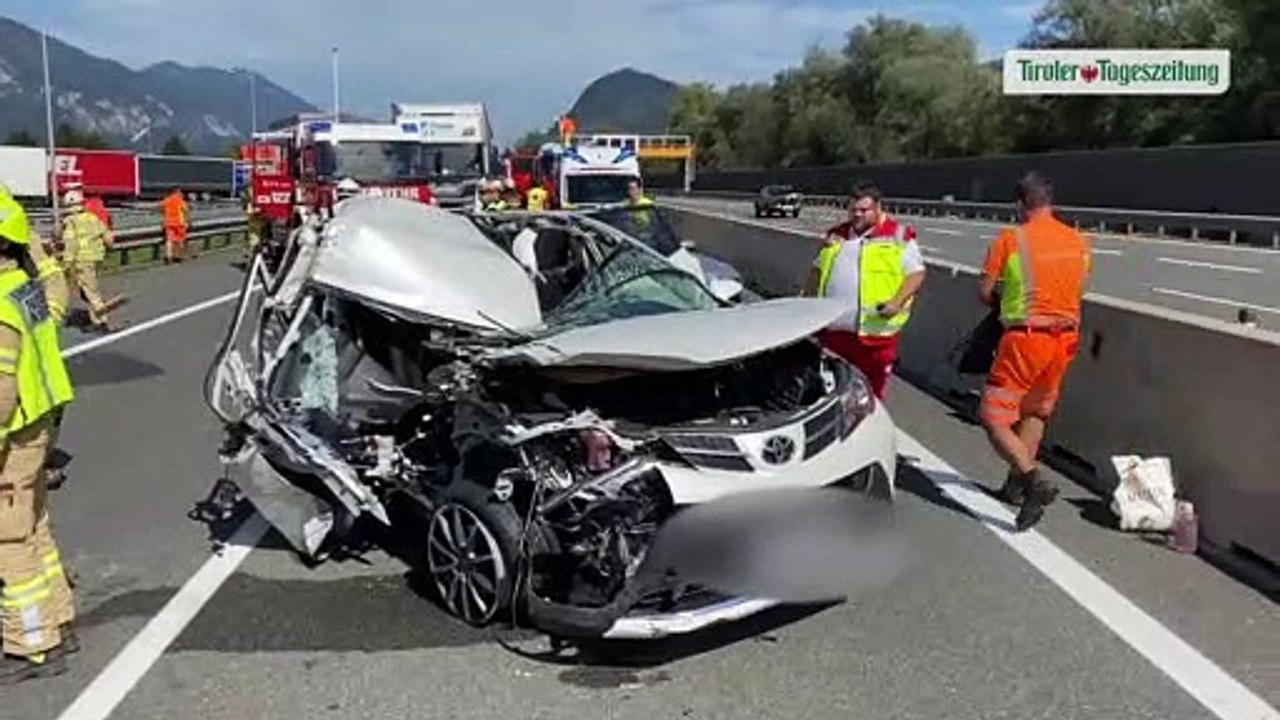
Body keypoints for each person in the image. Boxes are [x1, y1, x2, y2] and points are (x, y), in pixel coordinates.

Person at [978, 172, 1092, 531]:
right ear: (1050, 201)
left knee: (994, 416)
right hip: (1067, 338)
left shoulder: (1012, 239)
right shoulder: (1078, 240)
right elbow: (1078, 285)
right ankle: (1014, 487)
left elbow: (985, 292)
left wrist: (1004, 303)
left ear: (1019, 205)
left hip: (1027, 337)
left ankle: (1031, 481)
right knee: (1035, 412)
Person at [0, 189, 78, 684]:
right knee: (34, 525)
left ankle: (31, 644)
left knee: (7, 538)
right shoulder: (24, 289)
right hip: (41, 423)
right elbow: (58, 295)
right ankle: (59, 617)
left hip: (15, 431)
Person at [802, 182, 926, 400]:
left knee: (871, 396)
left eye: (863, 210)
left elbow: (916, 274)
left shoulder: (898, 235)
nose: (857, 215)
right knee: (831, 393)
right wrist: (806, 306)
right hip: (835, 334)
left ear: (878, 208)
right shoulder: (836, 236)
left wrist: (897, 302)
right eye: (853, 210)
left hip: (875, 336)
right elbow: (817, 272)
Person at [60, 186, 121, 332]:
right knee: (87, 289)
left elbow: (71, 244)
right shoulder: (92, 218)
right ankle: (96, 316)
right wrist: (109, 248)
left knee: (90, 291)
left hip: (81, 260)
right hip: (96, 258)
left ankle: (102, 321)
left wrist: (66, 265)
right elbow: (107, 236)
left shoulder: (70, 222)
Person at [160, 188, 189, 263]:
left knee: (169, 240)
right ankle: (178, 256)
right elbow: (186, 211)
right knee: (179, 241)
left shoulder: (166, 200)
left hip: (169, 223)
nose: (181, 194)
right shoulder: (180, 201)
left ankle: (168, 256)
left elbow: (161, 209)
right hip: (179, 223)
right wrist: (187, 221)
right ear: (177, 192)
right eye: (180, 192)